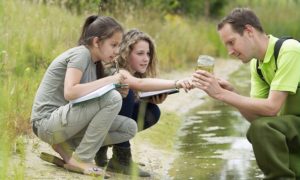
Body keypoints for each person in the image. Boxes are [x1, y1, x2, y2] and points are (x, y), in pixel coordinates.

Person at [193, 7, 300, 179]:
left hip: (295, 129)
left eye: (231, 42)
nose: (230, 51)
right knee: (257, 130)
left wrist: (221, 94)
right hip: (294, 129)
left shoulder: (289, 50)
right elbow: (261, 120)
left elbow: (272, 108)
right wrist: (231, 94)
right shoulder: (256, 65)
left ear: (249, 31)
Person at [30, 15, 139, 177]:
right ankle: (82, 159)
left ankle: (68, 153)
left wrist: (117, 91)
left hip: (64, 123)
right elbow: (71, 92)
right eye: (113, 45)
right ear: (96, 42)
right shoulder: (81, 54)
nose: (117, 51)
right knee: (112, 99)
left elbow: (87, 101)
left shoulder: (94, 64)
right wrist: (111, 81)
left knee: (129, 127)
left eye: (119, 46)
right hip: (46, 123)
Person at [94, 29, 193, 177]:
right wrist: (176, 83)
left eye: (148, 54)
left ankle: (105, 148)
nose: (146, 58)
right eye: (140, 53)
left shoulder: (130, 73)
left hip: (104, 124)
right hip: (90, 126)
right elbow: (138, 83)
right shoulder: (116, 71)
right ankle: (121, 158)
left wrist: (148, 99)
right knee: (125, 93)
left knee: (151, 111)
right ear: (126, 54)